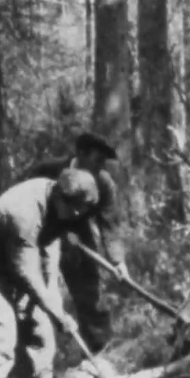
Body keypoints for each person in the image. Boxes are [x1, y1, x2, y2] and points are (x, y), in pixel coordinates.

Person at [0, 168, 117, 378]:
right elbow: (26, 272)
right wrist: (57, 313)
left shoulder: (58, 206)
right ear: (59, 196)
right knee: (4, 334)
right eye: (74, 208)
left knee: (42, 333)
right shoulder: (24, 213)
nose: (77, 214)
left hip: (23, 268)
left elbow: (49, 251)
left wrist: (53, 298)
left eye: (82, 210)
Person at [24, 131, 128, 354]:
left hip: (77, 234)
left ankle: (98, 347)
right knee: (35, 290)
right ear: (80, 154)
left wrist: (118, 260)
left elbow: (110, 224)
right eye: (96, 160)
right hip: (40, 233)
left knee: (89, 289)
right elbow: (25, 204)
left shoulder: (103, 183)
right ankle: (34, 353)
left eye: (103, 162)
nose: (100, 167)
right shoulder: (47, 170)